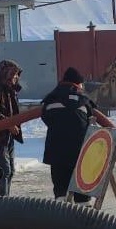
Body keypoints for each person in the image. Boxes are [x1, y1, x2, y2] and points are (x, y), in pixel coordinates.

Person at [41, 67, 95, 204]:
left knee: (60, 191)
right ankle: (84, 218)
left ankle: (61, 216)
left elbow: (46, 118)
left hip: (56, 151)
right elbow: (90, 121)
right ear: (78, 83)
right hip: (79, 152)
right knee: (81, 190)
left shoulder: (51, 98)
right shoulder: (83, 100)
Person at [0, 59, 24, 196]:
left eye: (16, 75)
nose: (16, 78)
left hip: (9, 135)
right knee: (5, 170)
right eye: (13, 75)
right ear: (5, 75)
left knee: (11, 170)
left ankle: (6, 197)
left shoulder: (10, 90)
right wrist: (9, 124)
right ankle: (2, 200)